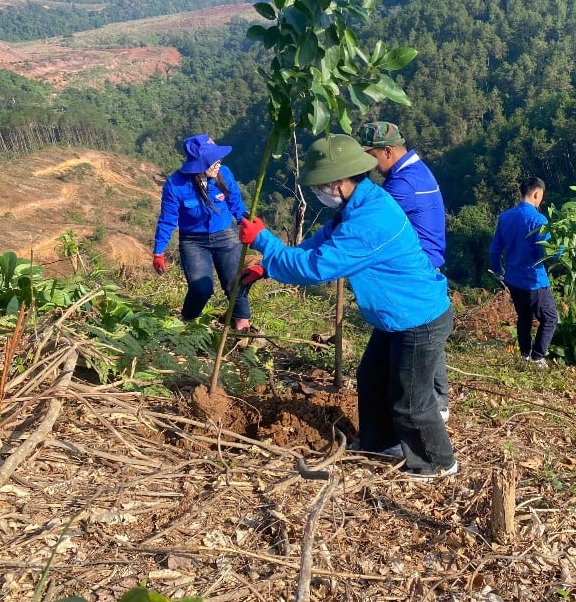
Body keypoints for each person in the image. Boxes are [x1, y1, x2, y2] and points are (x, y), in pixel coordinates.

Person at [238, 134, 457, 480]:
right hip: (396, 316)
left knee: (410, 400)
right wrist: (268, 264)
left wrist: (265, 242)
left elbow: (317, 267)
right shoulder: (359, 203)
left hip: (418, 318)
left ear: (340, 181)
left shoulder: (371, 221)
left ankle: (437, 462)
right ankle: (381, 443)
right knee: (371, 377)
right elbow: (322, 240)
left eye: (322, 184)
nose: (318, 191)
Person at [357, 121, 451, 422]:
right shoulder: (414, 171)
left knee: (421, 334)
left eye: (370, 155)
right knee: (426, 331)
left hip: (416, 266)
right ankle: (439, 399)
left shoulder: (402, 184)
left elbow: (370, 224)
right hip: (427, 259)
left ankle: (434, 403)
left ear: (387, 151)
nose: (368, 163)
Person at [152, 134, 252, 331]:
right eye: (212, 161)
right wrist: (159, 252)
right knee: (201, 289)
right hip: (193, 241)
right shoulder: (176, 185)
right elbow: (167, 220)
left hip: (226, 234)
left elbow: (236, 204)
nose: (218, 164)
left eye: (218, 160)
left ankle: (242, 325)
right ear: (198, 164)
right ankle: (187, 324)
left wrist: (246, 222)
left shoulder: (225, 173)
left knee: (235, 283)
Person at [489, 177, 558, 368]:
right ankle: (537, 357)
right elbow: (546, 253)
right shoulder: (538, 220)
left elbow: (494, 250)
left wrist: (497, 271)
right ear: (537, 194)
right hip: (534, 280)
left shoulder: (505, 217)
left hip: (513, 278)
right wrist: (561, 250)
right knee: (550, 318)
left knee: (524, 317)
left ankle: (525, 355)